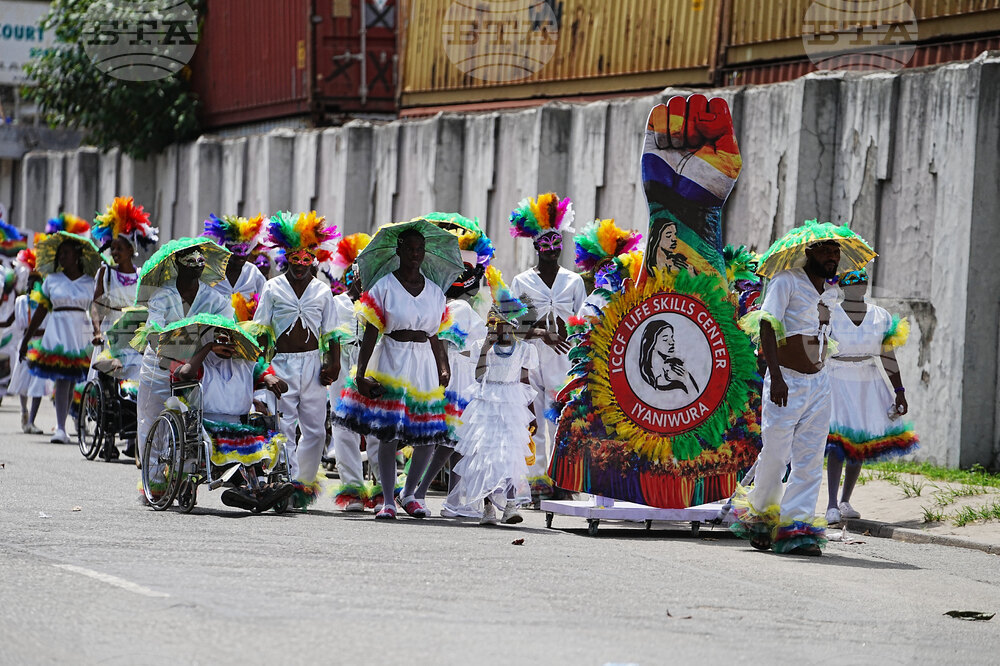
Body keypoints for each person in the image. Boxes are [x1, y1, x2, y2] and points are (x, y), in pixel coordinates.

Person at [732, 238, 843, 556]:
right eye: (825, 251)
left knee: (809, 460)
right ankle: (763, 519)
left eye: (836, 252)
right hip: (786, 381)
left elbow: (823, 338)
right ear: (809, 253)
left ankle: (797, 530)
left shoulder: (831, 293)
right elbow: (767, 326)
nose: (832, 257)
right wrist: (776, 376)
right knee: (777, 453)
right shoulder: (786, 280)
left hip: (819, 384)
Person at [334, 226, 452, 520]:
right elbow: (372, 332)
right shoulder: (383, 286)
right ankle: (387, 500)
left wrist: (443, 365)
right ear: (398, 251)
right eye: (410, 249)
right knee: (388, 433)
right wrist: (360, 374)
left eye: (420, 249)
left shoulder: (436, 291)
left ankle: (409, 494)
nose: (415, 255)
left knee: (426, 434)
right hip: (390, 358)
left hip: (423, 361)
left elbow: (436, 334)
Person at [254, 211, 342, 509]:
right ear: (286, 258)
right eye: (295, 259)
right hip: (282, 364)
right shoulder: (272, 287)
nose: (301, 266)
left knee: (316, 429)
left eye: (307, 260)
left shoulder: (323, 291)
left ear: (314, 260)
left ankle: (303, 484)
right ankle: (286, 486)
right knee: (284, 427)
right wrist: (264, 370)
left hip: (314, 365)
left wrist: (334, 364)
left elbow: (331, 332)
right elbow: (261, 332)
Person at [825, 268, 918, 524]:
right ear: (843, 287)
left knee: (859, 441)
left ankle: (845, 501)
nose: (858, 288)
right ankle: (831, 504)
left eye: (862, 283)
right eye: (852, 284)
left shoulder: (881, 316)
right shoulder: (830, 313)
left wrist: (899, 391)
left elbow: (888, 356)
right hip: (836, 378)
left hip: (868, 380)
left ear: (866, 286)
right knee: (837, 442)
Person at [508, 193, 586, 496]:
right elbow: (514, 324)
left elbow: (582, 323)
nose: (551, 250)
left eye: (556, 243)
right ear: (535, 246)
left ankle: (564, 477)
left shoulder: (574, 281)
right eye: (545, 244)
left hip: (565, 361)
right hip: (531, 358)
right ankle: (538, 480)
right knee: (534, 419)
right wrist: (541, 333)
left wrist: (571, 333)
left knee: (563, 418)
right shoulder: (522, 281)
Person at [171, 323, 291, 512]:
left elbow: (282, 387)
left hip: (239, 423)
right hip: (206, 423)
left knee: (254, 433)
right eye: (219, 339)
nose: (225, 343)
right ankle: (247, 489)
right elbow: (185, 374)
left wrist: (268, 378)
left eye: (228, 339)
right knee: (233, 442)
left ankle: (258, 488)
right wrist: (208, 348)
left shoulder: (245, 364)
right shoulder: (198, 363)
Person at [136, 241, 234, 457]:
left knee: (191, 423)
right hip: (159, 365)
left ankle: (186, 474)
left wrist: (216, 338)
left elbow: (228, 324)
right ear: (177, 264)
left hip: (194, 366)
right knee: (150, 420)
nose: (197, 265)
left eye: (201, 260)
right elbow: (154, 331)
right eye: (190, 261)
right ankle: (152, 479)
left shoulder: (214, 298)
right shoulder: (162, 295)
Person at [455, 269, 537, 526]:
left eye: (503, 324)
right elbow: (478, 377)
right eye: (494, 324)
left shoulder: (524, 349)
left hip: (512, 403)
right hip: (487, 402)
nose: (499, 329)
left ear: (513, 325)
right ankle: (488, 506)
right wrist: (485, 351)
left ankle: (511, 504)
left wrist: (530, 414)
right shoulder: (483, 347)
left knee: (511, 452)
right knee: (486, 454)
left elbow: (525, 380)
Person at [21, 235, 97, 443]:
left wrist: (99, 332)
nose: (61, 257)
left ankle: (64, 424)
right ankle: (61, 428)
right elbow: (41, 310)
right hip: (59, 331)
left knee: (71, 380)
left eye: (66, 253)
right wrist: (26, 338)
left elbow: (96, 310)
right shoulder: (52, 280)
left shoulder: (90, 281)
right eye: (60, 253)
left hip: (81, 331)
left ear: (77, 256)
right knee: (63, 379)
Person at [323, 233, 373, 512]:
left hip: (371, 368)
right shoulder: (337, 302)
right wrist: (330, 364)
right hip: (341, 367)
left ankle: (381, 490)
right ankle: (353, 490)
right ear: (352, 276)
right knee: (343, 427)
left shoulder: (377, 304)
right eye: (360, 275)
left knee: (377, 428)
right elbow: (328, 336)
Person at [201, 214, 267, 321]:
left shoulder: (252, 271)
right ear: (227, 250)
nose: (241, 255)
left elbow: (264, 299)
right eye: (237, 250)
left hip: (246, 330)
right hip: (217, 327)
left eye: (245, 250)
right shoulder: (212, 271)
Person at [6, 262, 47, 434]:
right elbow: (10, 321)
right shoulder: (21, 301)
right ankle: (24, 412)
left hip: (41, 344)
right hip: (25, 342)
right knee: (23, 381)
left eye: (36, 280)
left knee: (38, 383)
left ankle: (32, 421)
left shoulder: (45, 303)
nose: (32, 284)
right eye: (30, 280)